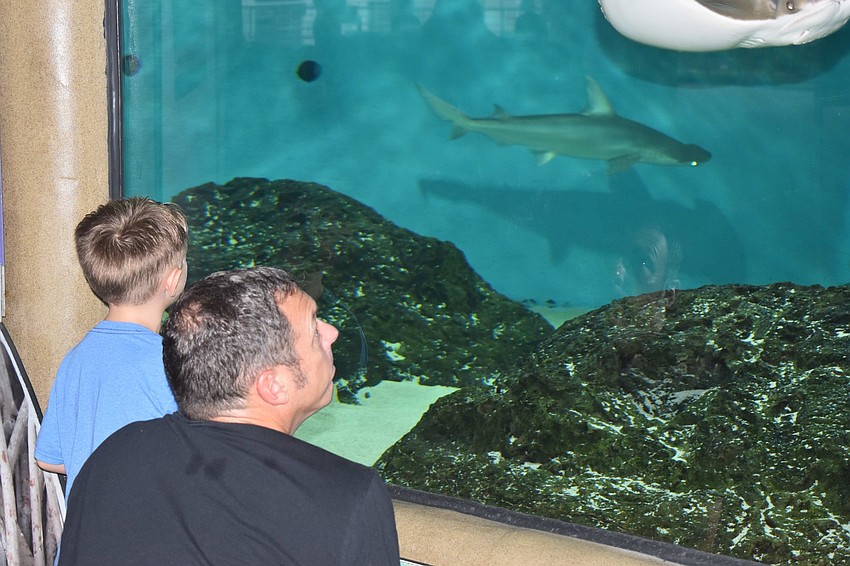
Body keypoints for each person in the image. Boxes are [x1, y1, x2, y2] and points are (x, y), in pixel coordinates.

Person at [58, 267, 401, 565]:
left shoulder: (113, 453)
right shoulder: (348, 497)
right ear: (274, 386)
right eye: (314, 330)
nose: (332, 333)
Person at [34, 197, 189, 499]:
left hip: (82, 540)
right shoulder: (169, 362)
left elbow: (48, 458)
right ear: (172, 280)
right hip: (146, 538)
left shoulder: (76, 359)